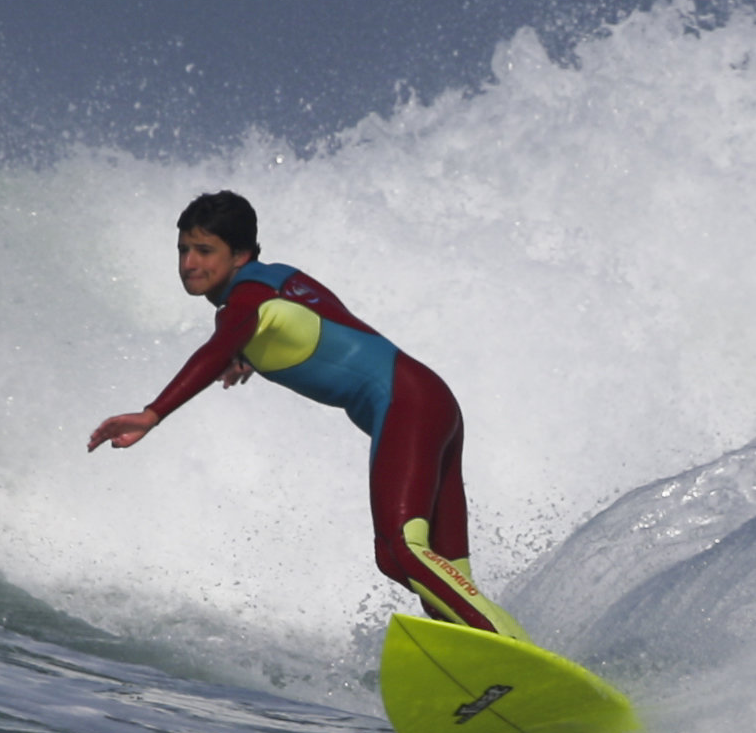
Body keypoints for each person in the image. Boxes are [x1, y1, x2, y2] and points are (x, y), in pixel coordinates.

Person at [88, 190, 527, 639]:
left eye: (204, 251)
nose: (188, 263)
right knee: (445, 567)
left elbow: (220, 343)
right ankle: (488, 662)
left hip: (406, 404)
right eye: (183, 250)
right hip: (432, 400)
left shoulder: (245, 299)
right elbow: (325, 327)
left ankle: (513, 650)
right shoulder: (280, 280)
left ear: (239, 255)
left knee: (400, 549)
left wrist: (152, 414)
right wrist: (251, 357)